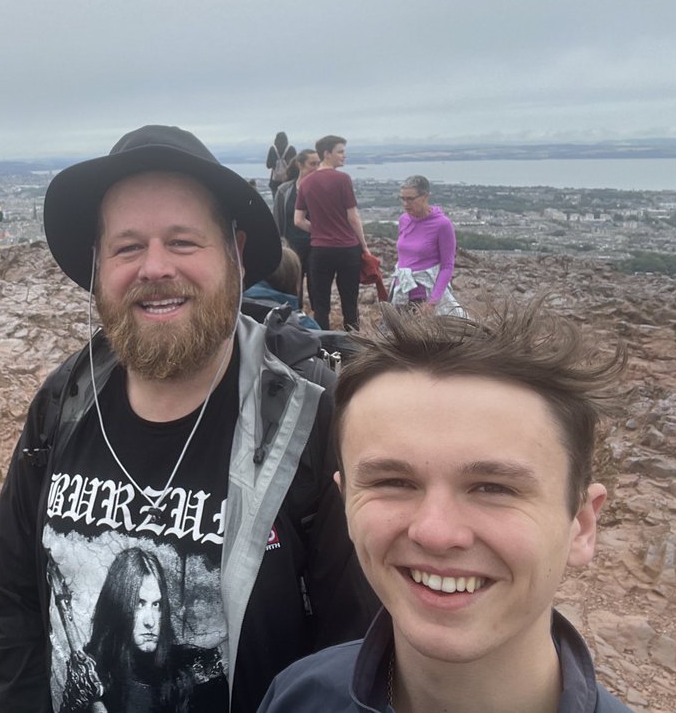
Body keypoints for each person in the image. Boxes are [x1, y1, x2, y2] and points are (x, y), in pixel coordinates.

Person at [0, 125, 377, 713]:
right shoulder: (68, 396)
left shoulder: (308, 414)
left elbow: (356, 649)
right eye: (127, 247)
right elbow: (6, 592)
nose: (154, 267)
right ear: (98, 265)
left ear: (235, 253)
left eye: (183, 242)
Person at [259, 301, 630, 712]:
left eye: (493, 488)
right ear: (346, 503)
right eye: (394, 482)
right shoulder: (296, 697)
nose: (435, 532)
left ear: (581, 524)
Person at [58, 547, 218, 713]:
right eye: (139, 604)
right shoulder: (91, 672)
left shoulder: (190, 668)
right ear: (117, 606)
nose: (150, 621)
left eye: (156, 605)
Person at [294, 135, 369, 331]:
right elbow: (353, 217)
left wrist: (318, 229)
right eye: (340, 151)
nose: (344, 156)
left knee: (321, 306)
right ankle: (352, 349)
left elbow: (298, 220)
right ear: (326, 154)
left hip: (320, 250)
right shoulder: (343, 179)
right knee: (350, 305)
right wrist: (364, 246)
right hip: (347, 249)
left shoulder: (306, 183)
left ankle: (323, 351)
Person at [391, 175, 465, 316]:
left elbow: (447, 266)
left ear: (425, 196)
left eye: (410, 199)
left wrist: (432, 302)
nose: (405, 204)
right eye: (403, 199)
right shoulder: (403, 220)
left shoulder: (442, 224)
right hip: (401, 294)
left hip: (424, 298)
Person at [272, 150, 318, 308]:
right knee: (292, 290)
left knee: (316, 290)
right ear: (300, 165)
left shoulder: (320, 190)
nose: (317, 167)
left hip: (315, 247)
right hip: (292, 247)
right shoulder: (284, 191)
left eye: (318, 164)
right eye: (313, 164)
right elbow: (278, 219)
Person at [265, 131, 296, 199]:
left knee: (276, 202)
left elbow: (268, 165)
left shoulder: (273, 149)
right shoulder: (291, 149)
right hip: (288, 180)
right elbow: (295, 165)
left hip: (275, 181)